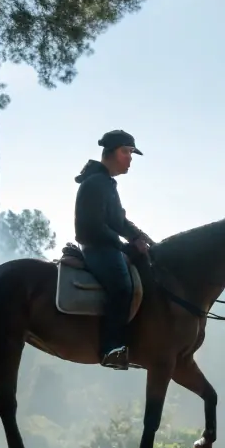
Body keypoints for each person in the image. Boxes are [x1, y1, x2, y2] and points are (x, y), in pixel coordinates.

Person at [74, 129, 153, 370]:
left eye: (131, 153)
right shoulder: (97, 183)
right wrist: (126, 246)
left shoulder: (107, 183)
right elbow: (94, 227)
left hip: (106, 245)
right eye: (126, 152)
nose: (130, 158)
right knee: (122, 286)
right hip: (97, 248)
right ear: (110, 153)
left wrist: (142, 237)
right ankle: (111, 348)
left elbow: (119, 221)